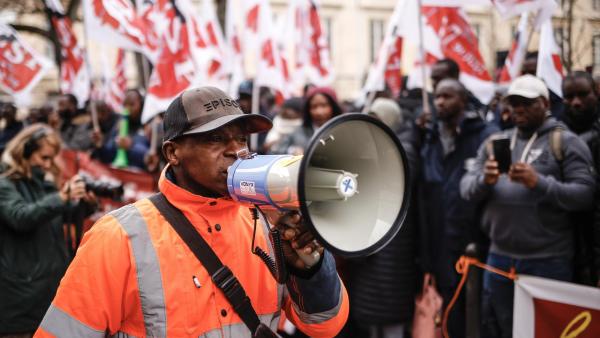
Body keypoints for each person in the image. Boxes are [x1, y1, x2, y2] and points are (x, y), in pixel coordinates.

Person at [35, 87, 349, 338]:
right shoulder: (119, 237)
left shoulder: (267, 223)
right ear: (173, 152)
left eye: (241, 138)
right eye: (215, 138)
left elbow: (324, 327)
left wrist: (311, 270)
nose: (235, 150)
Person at [460, 75, 595, 337]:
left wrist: (539, 183)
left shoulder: (565, 142)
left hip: (548, 261)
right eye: (513, 102)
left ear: (544, 103)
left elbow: (585, 195)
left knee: (547, 332)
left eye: (526, 102)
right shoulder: (494, 142)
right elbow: (465, 188)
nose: (518, 108)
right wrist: (484, 181)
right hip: (499, 258)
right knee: (500, 329)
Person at [418, 78, 498, 337]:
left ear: (463, 100)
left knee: (475, 316)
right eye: (437, 96)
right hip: (440, 241)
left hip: (474, 242)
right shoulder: (429, 137)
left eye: (447, 96)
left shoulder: (483, 135)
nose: (440, 102)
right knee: (449, 315)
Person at [0, 124, 96, 337]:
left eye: (52, 158)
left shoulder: (44, 184)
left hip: (48, 293)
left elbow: (59, 215)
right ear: (23, 152)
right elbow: (21, 217)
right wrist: (62, 197)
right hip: (20, 298)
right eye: (44, 158)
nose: (48, 164)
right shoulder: (5, 183)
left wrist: (85, 204)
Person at [562, 71, 600, 286]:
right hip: (566, 244)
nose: (576, 102)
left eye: (583, 95)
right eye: (569, 96)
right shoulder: (554, 134)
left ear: (596, 93)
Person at [272, 87, 343, 155]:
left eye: (324, 105)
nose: (319, 112)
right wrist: (291, 150)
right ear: (308, 110)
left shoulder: (344, 131)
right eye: (314, 106)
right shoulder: (297, 132)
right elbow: (273, 152)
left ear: (333, 107)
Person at [95, 89, 151, 170]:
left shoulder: (149, 126)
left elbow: (151, 158)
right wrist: (100, 146)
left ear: (141, 105)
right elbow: (107, 157)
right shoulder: (119, 124)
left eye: (132, 105)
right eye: (125, 105)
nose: (127, 109)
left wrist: (132, 146)